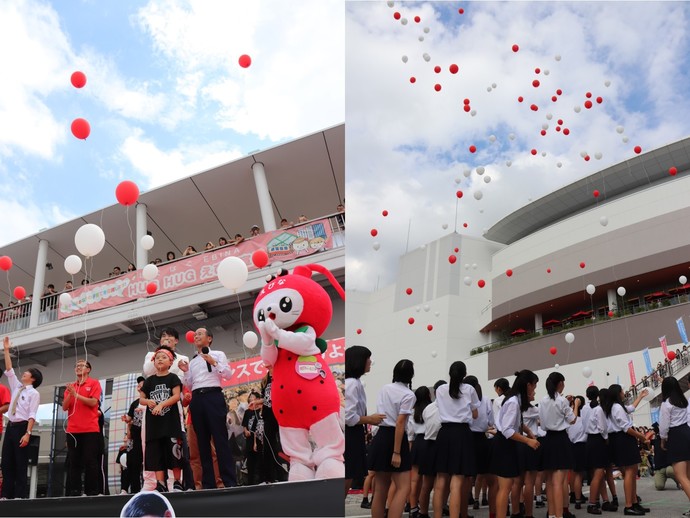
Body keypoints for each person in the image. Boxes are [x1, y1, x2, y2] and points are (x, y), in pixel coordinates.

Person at [178, 328, 236, 488]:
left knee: (220, 440)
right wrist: (185, 372)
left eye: (200, 334)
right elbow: (189, 384)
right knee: (202, 443)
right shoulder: (193, 360)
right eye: (195, 335)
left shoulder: (218, 354)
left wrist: (214, 362)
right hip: (197, 400)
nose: (196, 336)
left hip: (213, 396)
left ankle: (229, 481)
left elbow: (228, 374)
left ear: (209, 339)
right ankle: (208, 484)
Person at [142, 328, 192, 491]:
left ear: (171, 362)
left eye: (164, 357)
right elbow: (142, 398)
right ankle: (160, 484)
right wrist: (148, 401)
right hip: (154, 423)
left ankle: (177, 482)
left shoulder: (173, 377)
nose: (160, 360)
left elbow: (177, 395)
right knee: (155, 453)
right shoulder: (149, 380)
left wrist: (161, 405)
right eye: (157, 358)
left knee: (174, 450)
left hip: (170, 420)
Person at [368, 359, 416, 518]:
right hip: (396, 438)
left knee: (381, 488)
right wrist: (396, 452)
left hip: (381, 435)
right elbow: (400, 422)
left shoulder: (385, 388)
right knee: (403, 488)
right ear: (411, 375)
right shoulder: (409, 394)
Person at [490, 370, 540, 518]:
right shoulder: (513, 402)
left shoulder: (514, 399)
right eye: (534, 385)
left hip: (506, 445)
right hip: (504, 445)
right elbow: (506, 430)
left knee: (507, 487)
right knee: (505, 489)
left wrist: (528, 431)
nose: (534, 389)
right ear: (528, 384)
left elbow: (514, 422)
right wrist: (528, 440)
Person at [433, 361, 480, 518]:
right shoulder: (469, 389)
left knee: (440, 480)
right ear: (464, 375)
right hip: (462, 434)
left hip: (444, 433)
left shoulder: (440, 389)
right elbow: (475, 413)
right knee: (457, 481)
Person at [1, 336, 42, 499]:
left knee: (20, 463)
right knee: (6, 462)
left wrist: (28, 433)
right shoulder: (17, 387)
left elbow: (32, 414)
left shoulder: (34, 393)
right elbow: (9, 370)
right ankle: (6, 495)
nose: (23, 373)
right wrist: (6, 350)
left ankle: (20, 496)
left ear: (32, 378)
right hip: (10, 426)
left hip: (22, 427)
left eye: (27, 373)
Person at [603, 384, 650, 516]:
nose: (624, 393)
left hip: (620, 440)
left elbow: (631, 408)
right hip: (623, 439)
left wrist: (640, 396)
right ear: (618, 393)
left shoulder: (615, 407)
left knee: (632, 470)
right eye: (622, 391)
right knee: (630, 471)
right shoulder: (617, 407)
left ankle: (634, 503)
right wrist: (641, 436)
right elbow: (626, 428)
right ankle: (629, 505)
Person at [344, 345, 385, 497]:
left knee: (349, 475)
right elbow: (349, 417)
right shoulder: (352, 383)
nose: (370, 362)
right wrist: (370, 419)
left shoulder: (355, 382)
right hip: (351, 433)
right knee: (348, 476)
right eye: (368, 358)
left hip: (355, 432)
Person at [539, 372, 577, 518]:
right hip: (560, 440)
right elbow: (572, 420)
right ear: (560, 383)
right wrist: (575, 405)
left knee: (549, 482)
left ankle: (553, 514)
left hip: (548, 440)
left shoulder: (543, 400)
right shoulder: (562, 401)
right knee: (558, 483)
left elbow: (542, 424)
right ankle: (559, 515)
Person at [63, 358, 103, 496]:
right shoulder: (71, 386)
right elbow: (64, 407)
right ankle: (74, 491)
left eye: (82, 365)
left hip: (90, 429)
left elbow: (93, 402)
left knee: (90, 461)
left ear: (88, 369)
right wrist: (71, 393)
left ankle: (92, 491)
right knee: (74, 462)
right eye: (76, 365)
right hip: (73, 430)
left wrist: (76, 394)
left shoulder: (94, 383)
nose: (78, 367)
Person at [659, 377, 690, 515]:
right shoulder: (683, 401)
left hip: (676, 436)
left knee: (681, 476)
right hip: (686, 432)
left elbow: (664, 426)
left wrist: (663, 439)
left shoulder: (666, 404)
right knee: (688, 476)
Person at [408, 386, 432, 518]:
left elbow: (410, 434)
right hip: (428, 442)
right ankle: (424, 510)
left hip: (417, 442)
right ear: (429, 395)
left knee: (415, 479)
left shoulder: (413, 411)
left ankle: (413, 507)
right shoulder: (432, 409)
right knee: (427, 480)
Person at [122, 376, 146, 494]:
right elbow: (129, 419)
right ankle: (135, 490)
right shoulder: (134, 403)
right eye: (139, 385)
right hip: (135, 437)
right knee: (133, 463)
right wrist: (127, 423)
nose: (140, 387)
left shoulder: (152, 400)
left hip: (148, 437)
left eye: (142, 385)